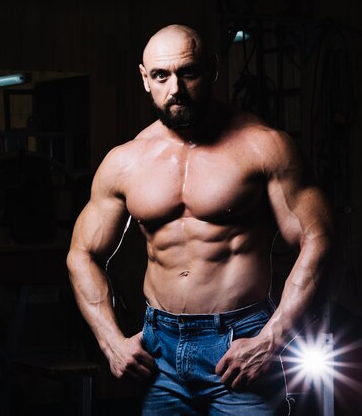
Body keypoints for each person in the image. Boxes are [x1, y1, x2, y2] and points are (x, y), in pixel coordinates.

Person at [67, 24, 333, 415]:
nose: (175, 89)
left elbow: (319, 238)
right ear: (145, 79)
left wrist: (273, 338)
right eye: (161, 76)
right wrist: (111, 341)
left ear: (212, 70)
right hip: (158, 353)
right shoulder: (125, 161)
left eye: (187, 72)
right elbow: (81, 253)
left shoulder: (264, 146)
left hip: (240, 345)